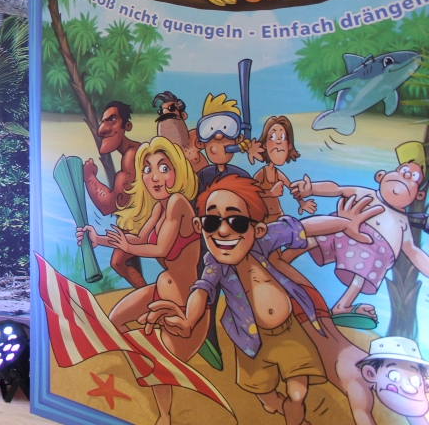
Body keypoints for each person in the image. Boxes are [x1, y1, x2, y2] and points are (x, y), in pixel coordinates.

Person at [145, 175, 382, 425]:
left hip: (289, 333)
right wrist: (188, 321)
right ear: (199, 225)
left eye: (237, 222)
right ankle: (275, 404)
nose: (223, 231)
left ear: (256, 229)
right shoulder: (215, 264)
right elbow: (202, 290)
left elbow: (305, 227)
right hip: (251, 343)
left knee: (297, 394)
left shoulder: (265, 239)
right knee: (266, 396)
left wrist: (345, 224)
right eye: (212, 222)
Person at [77, 137, 205, 425]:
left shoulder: (177, 203)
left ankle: (164, 415)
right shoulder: (160, 206)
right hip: (161, 289)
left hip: (184, 300)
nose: (155, 177)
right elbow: (137, 239)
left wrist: (127, 246)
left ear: (178, 171)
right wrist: (98, 239)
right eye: (148, 170)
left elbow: (160, 248)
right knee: (115, 321)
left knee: (162, 361)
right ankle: (143, 366)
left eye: (163, 168)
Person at [290, 141, 429, 325]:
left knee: (363, 269)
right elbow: (337, 189)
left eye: (413, 177)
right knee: (322, 234)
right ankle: (285, 256)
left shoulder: (403, 222)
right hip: (346, 230)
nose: (405, 177)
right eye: (403, 171)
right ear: (381, 176)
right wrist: (312, 189)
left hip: (374, 252)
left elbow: (412, 251)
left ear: (419, 195)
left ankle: (342, 306)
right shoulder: (368, 194)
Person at [81, 102, 146, 287]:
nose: (102, 130)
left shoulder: (132, 156)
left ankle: (151, 297)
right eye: (103, 122)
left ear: (127, 126)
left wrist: (89, 177)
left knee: (118, 261)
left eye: (112, 120)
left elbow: (109, 205)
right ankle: (150, 296)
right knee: (117, 261)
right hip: (143, 220)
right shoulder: (131, 153)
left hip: (152, 222)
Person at [194, 93, 264, 197]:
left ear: (239, 139)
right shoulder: (203, 176)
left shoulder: (242, 176)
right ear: (201, 143)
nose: (218, 136)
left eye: (226, 128)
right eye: (210, 129)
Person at [253, 116, 315, 223]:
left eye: (282, 137)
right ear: (265, 145)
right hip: (262, 219)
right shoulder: (261, 174)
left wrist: (302, 203)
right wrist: (270, 193)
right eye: (272, 137)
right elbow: (252, 193)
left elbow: (292, 189)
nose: (278, 142)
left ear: (289, 146)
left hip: (278, 216)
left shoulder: (278, 174)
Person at [358, 336, 429, 425]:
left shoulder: (413, 402)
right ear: (370, 374)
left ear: (426, 385)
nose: (409, 389)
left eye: (415, 381)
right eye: (394, 377)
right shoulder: (359, 388)